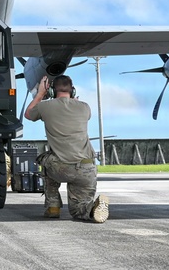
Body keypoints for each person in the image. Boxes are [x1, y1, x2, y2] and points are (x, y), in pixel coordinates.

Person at [23, 74, 109, 223]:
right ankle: (92, 209)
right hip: (86, 168)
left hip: (61, 168)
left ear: (51, 91)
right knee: (78, 210)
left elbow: (28, 114)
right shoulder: (85, 107)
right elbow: (74, 112)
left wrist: (41, 94)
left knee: (45, 159)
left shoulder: (45, 106)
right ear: (73, 91)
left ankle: (53, 206)